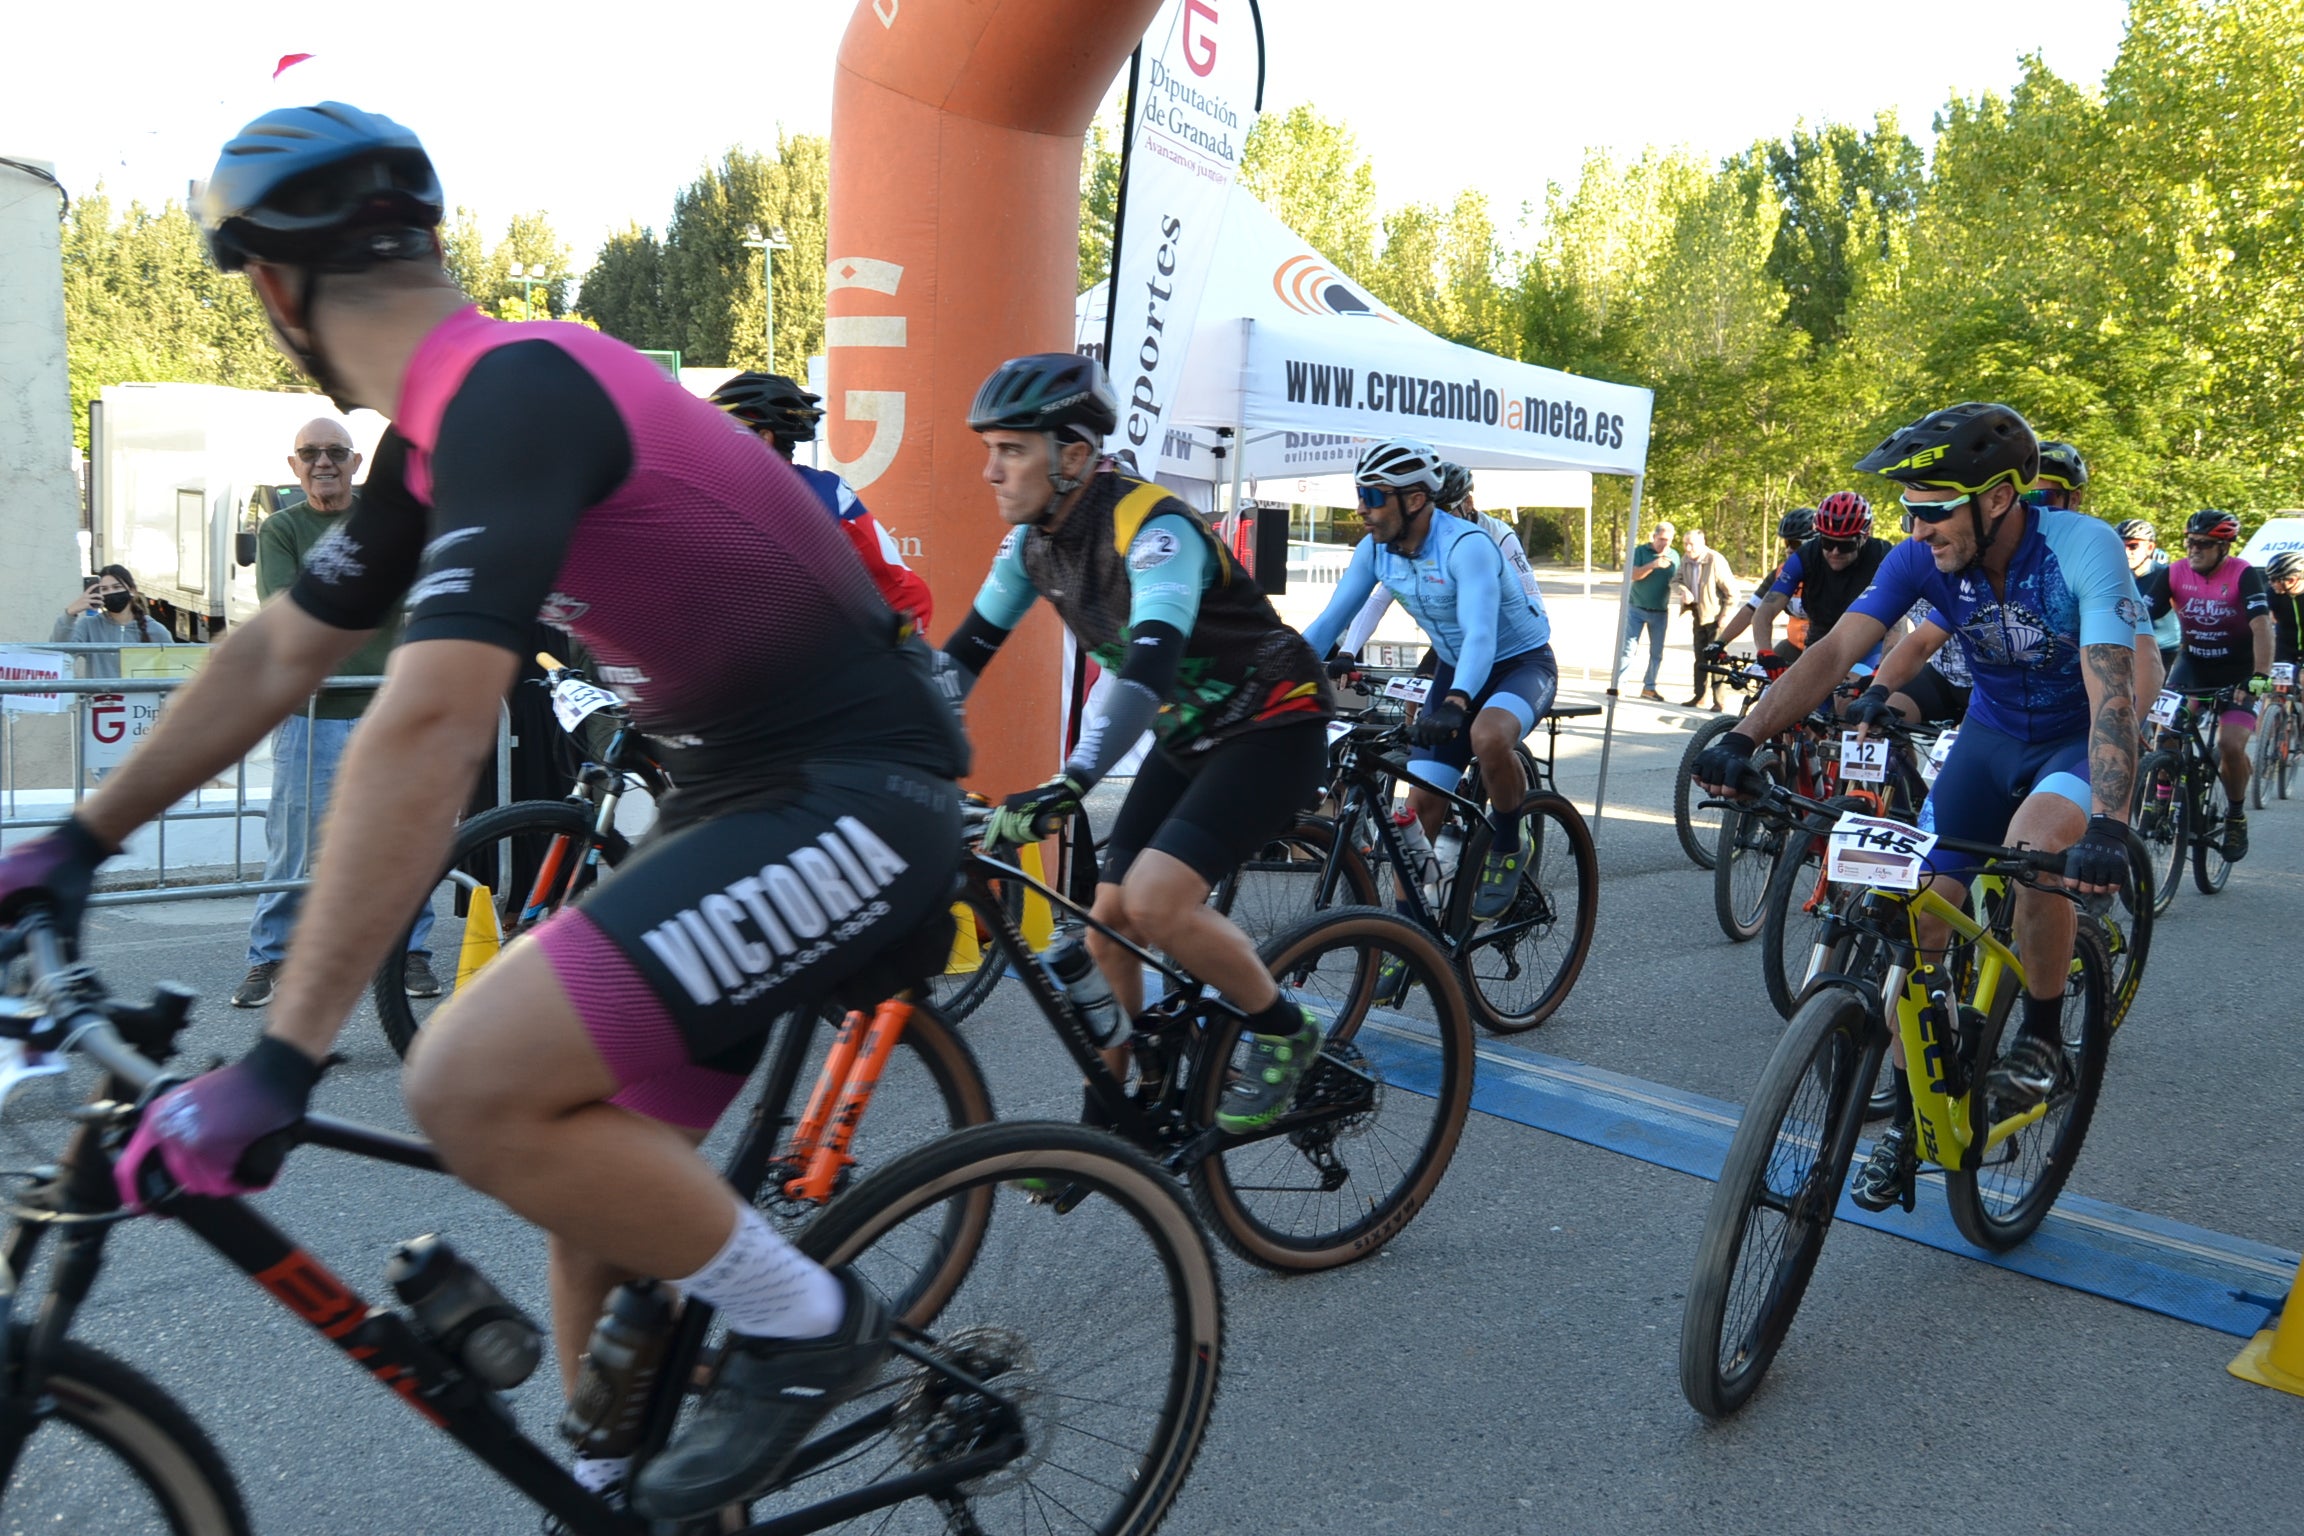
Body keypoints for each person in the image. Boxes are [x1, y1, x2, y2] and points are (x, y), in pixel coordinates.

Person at [0, 103, 969, 1521]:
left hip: (854, 797)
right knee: (585, 1183)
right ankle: (617, 1495)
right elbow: (283, 647)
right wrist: (79, 843)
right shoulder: (432, 449)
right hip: (735, 791)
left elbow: (435, 721)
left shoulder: (516, 396)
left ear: (275, 290)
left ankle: (811, 1324)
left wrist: (285, 1053)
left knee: (464, 1081)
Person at [1696, 401, 2142, 1214]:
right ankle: (1908, 1119)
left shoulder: (2083, 547)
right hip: (1989, 736)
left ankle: (2043, 1037)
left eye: (1933, 507)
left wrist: (2110, 821)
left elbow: (2115, 691)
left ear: (2000, 497)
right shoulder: (1921, 557)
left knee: (2037, 846)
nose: (1916, 524)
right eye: (1909, 508)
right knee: (1921, 917)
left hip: (2072, 741)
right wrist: (1746, 735)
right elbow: (1837, 650)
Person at [940, 352, 1333, 1131]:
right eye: (989, 448)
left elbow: (1148, 667)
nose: (990, 470)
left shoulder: (1151, 529)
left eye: (1012, 449)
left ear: (1074, 455)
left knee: (1155, 903)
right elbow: (959, 661)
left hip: (1273, 722)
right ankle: (1110, 1123)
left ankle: (1288, 1034)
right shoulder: (1032, 545)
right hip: (1188, 735)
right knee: (1104, 930)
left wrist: (1072, 779)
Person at [1301, 438, 1558, 922]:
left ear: (1415, 499)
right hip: (1452, 666)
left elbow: (1481, 636)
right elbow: (1329, 622)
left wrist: (1458, 701)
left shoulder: (1469, 545)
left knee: (1486, 735)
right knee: (1416, 813)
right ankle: (1414, 931)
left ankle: (1508, 837)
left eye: (1373, 497)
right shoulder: (1376, 551)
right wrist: (1273, 675)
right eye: (1359, 495)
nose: (1361, 509)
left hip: (1520, 663)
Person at [236, 416, 436, 1008]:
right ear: (293, 467)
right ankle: (269, 958)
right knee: (295, 845)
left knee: (403, 838)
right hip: (311, 717)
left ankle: (411, 954)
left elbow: (417, 593)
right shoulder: (281, 529)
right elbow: (287, 610)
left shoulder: (387, 521)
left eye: (336, 452)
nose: (324, 462)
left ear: (356, 463)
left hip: (386, 709)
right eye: (311, 453)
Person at [708, 372, 933, 634]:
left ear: (764, 438)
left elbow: (907, 596)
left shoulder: (820, 494)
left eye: (721, 432)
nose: (710, 443)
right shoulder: (721, 495)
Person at [2136, 508, 2273, 860]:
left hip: (2238, 672)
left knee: (2230, 744)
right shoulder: (2174, 573)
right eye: (2189, 542)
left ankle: (2236, 815)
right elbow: (2140, 617)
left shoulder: (2243, 575)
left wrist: (2259, 676)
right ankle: (2161, 799)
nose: (2193, 549)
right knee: (2167, 732)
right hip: (2192, 666)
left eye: (2203, 544)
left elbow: (2261, 627)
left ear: (2224, 548)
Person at [1332, 458, 1551, 669]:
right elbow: (1379, 600)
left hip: (1504, 639)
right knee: (1415, 697)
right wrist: (1348, 651)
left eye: (1446, 511)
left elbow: (1531, 595)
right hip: (1457, 638)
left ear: (1469, 503)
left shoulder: (1498, 534)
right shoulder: (1423, 538)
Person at [1751, 491, 1893, 670]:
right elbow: (1766, 608)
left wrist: (1882, 669)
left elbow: (1898, 625)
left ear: (1864, 536)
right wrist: (1765, 652)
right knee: (1789, 694)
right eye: (1826, 542)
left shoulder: (1883, 556)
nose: (1834, 552)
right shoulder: (1807, 554)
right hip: (1821, 638)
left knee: (1846, 694)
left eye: (1845, 545)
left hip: (1868, 643)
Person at [50, 565, 173, 678]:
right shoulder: (89, 626)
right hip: (100, 700)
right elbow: (60, 653)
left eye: (117, 587)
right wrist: (70, 613)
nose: (111, 592)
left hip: (141, 701)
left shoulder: (155, 629)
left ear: (132, 590)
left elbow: (173, 670)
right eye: (104, 589)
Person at [1674, 527, 1738, 708]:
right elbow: (1675, 581)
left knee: (1717, 660)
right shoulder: (1685, 560)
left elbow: (1733, 592)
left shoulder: (1715, 560)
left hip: (1716, 617)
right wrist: (1683, 590)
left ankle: (1719, 701)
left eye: (1691, 544)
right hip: (1697, 615)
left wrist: (1725, 615)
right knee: (1700, 659)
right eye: (1685, 544)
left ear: (1702, 544)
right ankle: (1699, 697)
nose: (1687, 548)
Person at [1620, 518, 1680, 701]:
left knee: (1656, 652)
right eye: (1661, 539)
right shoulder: (1640, 551)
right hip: (1636, 607)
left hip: (1660, 611)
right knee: (1628, 649)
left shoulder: (1675, 556)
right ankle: (1620, 685)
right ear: (1654, 537)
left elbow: (1678, 581)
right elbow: (1632, 575)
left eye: (1667, 540)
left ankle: (1649, 687)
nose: (1664, 543)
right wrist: (1653, 565)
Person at [2270, 549, 2304, 667]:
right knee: (2279, 683)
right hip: (2284, 649)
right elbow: (2266, 617)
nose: (2270, 583)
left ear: (2291, 580)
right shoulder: (2273, 593)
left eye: (2274, 579)